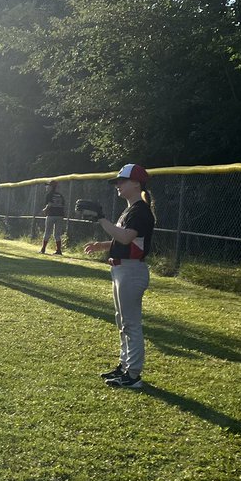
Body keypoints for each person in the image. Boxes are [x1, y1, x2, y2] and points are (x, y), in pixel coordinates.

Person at [82, 163, 155, 389]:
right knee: (122, 321)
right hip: (123, 269)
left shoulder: (141, 210)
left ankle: (133, 374)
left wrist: (101, 219)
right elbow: (123, 239)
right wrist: (101, 245)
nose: (118, 185)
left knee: (130, 323)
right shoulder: (130, 210)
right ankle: (125, 366)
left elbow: (125, 238)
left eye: (122, 181)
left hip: (131, 271)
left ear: (136, 183)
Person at [39, 180, 65, 254]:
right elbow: (63, 205)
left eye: (48, 185)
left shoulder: (49, 195)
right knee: (57, 234)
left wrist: (44, 210)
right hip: (60, 216)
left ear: (51, 187)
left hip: (51, 215)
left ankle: (43, 249)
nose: (47, 187)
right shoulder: (61, 195)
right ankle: (59, 250)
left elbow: (49, 204)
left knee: (47, 232)